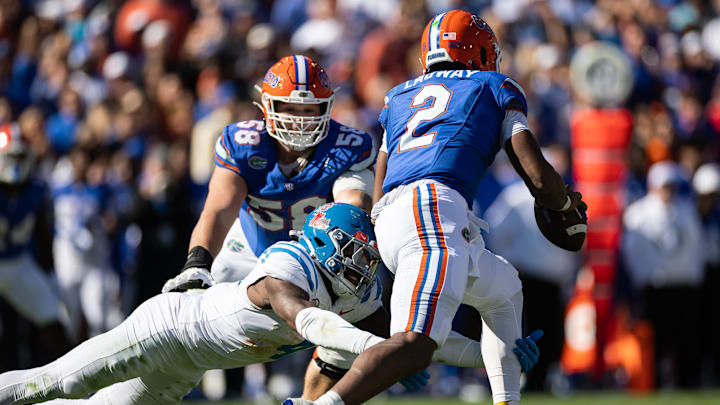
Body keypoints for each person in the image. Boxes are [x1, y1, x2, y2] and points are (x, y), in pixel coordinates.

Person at [292, 10, 585, 405]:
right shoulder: (493, 84)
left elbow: (381, 184)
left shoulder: (398, 97)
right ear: (481, 52)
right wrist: (563, 201)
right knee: (414, 346)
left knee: (504, 290)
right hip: (433, 209)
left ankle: (507, 399)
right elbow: (535, 174)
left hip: (399, 219)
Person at [0, 203, 538, 404]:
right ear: (325, 242)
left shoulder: (349, 295)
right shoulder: (287, 263)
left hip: (185, 368)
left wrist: (496, 357)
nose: (364, 267)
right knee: (54, 384)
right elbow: (310, 322)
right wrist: (378, 346)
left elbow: (420, 343)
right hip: (163, 330)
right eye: (356, 254)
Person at [162, 54, 376, 289]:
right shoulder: (244, 144)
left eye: (309, 110)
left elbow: (352, 209)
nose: (300, 120)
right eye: (291, 109)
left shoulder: (346, 147)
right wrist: (198, 262)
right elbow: (220, 208)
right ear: (267, 106)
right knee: (200, 294)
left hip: (316, 258)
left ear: (326, 108)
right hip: (246, 251)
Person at [621, 160, 704, 388]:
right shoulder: (638, 213)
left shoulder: (686, 210)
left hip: (683, 285)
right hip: (654, 286)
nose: (668, 191)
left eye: (671, 186)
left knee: (685, 339)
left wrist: (695, 277)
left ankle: (687, 383)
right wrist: (640, 278)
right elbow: (631, 251)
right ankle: (653, 382)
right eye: (664, 186)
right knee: (655, 339)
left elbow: (696, 247)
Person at [0, 123, 71, 363]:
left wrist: (49, 272)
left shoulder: (37, 189)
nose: (15, 163)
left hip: (17, 262)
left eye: (20, 156)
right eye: (10, 156)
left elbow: (43, 234)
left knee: (52, 318)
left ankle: (74, 384)